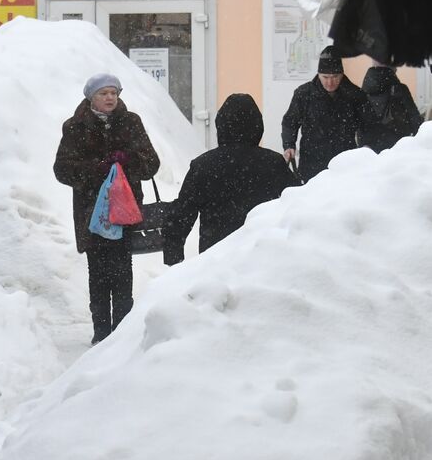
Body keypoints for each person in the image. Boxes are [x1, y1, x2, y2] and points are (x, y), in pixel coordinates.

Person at [54, 74, 161, 344]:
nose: (110, 98)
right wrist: (95, 170)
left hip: (123, 212)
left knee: (123, 272)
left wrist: (129, 160)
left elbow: (151, 165)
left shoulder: (131, 122)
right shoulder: (75, 127)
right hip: (93, 213)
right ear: (91, 97)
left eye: (114, 92)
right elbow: (62, 169)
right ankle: (101, 334)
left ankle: (122, 336)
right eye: (104, 93)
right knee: (98, 275)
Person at [163, 94, 297, 266]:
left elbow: (180, 216)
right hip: (263, 261)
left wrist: (174, 263)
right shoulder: (273, 164)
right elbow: (298, 207)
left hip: (215, 262)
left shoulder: (203, 166)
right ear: (257, 125)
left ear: (221, 125)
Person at [280, 46, 366, 182]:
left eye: (335, 77)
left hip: (345, 165)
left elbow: (367, 125)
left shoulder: (355, 95)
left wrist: (366, 147)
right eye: (325, 77)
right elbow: (290, 122)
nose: (330, 82)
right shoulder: (304, 94)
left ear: (342, 74)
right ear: (318, 74)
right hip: (312, 165)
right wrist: (289, 145)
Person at [358, 63, 422, 153]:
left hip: (371, 148)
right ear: (392, 70)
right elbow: (414, 117)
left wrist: (364, 145)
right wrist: (420, 139)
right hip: (399, 146)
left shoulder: (363, 92)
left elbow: (359, 122)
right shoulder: (400, 89)